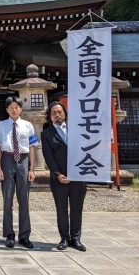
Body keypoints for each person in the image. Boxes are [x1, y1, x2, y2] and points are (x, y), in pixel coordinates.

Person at [41, 101, 87, 252]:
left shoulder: (77, 129)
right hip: (59, 178)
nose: (57, 115)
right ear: (50, 117)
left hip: (77, 176)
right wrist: (57, 174)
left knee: (76, 208)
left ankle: (76, 238)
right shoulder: (46, 134)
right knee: (61, 209)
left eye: (60, 112)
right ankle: (64, 238)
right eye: (54, 113)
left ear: (65, 114)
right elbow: (48, 157)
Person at [0, 96, 38, 249]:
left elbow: (32, 147)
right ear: (6, 109)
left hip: (23, 161)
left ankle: (24, 235)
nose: (14, 109)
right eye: (11, 107)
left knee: (24, 199)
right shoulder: (1, 125)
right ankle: (9, 234)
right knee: (7, 199)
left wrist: (32, 168)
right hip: (6, 159)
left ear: (21, 109)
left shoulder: (28, 125)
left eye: (17, 107)